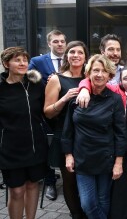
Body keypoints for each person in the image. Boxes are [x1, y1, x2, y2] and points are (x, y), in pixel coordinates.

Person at [77, 64, 127, 218]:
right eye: (125, 78)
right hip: (123, 150)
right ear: (120, 81)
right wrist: (84, 89)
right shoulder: (116, 93)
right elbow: (92, 80)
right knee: (123, 189)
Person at [61, 54, 127, 219]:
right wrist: (68, 155)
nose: (99, 74)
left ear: (110, 76)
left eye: (104, 71)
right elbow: (68, 129)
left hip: (106, 157)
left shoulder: (115, 99)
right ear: (88, 73)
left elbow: (120, 133)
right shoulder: (77, 97)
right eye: (95, 70)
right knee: (88, 203)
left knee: (103, 198)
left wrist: (119, 162)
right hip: (82, 158)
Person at [0, 47, 48, 219]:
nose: (22, 63)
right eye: (17, 60)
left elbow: (46, 111)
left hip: (36, 146)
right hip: (11, 149)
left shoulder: (36, 84)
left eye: (24, 60)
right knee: (17, 191)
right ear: (6, 64)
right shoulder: (2, 88)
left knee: (33, 185)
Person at [43, 41, 88, 219]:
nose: (76, 55)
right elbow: (47, 112)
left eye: (80, 52)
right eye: (72, 52)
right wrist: (64, 99)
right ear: (66, 56)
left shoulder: (90, 77)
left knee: (84, 179)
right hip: (65, 134)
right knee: (69, 180)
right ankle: (76, 214)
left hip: (87, 136)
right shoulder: (56, 79)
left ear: (85, 57)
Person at [29, 29, 67, 200]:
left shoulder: (72, 58)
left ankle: (69, 181)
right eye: (56, 41)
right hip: (45, 112)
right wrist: (50, 81)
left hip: (67, 112)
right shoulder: (37, 61)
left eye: (62, 41)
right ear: (49, 43)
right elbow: (29, 81)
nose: (60, 44)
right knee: (47, 146)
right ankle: (50, 182)